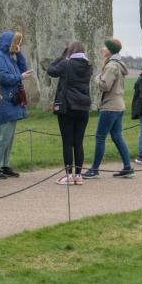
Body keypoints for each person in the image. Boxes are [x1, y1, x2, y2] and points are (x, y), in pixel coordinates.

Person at [83, 38, 134, 178]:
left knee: (100, 137)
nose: (103, 49)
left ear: (110, 50)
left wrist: (96, 78)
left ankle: (94, 170)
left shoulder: (111, 66)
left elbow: (106, 85)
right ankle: (128, 167)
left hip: (110, 105)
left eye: (105, 47)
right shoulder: (119, 64)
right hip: (118, 104)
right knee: (117, 136)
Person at [48, 41, 93, 184]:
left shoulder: (66, 64)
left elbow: (51, 70)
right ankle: (78, 176)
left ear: (70, 51)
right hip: (83, 107)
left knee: (67, 143)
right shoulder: (88, 66)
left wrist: (62, 56)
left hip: (67, 106)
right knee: (78, 143)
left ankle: (68, 175)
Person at [0, 31, 32, 179]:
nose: (16, 45)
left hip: (12, 101)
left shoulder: (9, 57)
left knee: (9, 137)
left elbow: (23, 68)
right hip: (5, 101)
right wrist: (20, 77)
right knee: (2, 136)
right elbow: (2, 78)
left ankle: (4, 165)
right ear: (7, 43)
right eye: (14, 43)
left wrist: (19, 54)